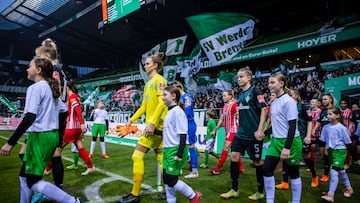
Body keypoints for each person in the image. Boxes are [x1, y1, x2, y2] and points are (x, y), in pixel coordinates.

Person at [0, 57, 84, 203]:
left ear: (38, 70)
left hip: (39, 137)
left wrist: (11, 142)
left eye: (30, 66)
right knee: (24, 176)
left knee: (33, 181)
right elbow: (64, 113)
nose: (27, 69)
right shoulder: (51, 89)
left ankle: (72, 201)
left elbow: (29, 117)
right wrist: (58, 137)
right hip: (50, 136)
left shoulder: (35, 88)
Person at [118, 52, 168, 203]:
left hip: (156, 127)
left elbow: (161, 103)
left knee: (137, 156)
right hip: (156, 127)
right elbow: (144, 106)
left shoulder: (160, 81)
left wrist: (152, 123)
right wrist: (131, 120)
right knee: (161, 159)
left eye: (147, 63)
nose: (145, 65)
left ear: (155, 65)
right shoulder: (148, 83)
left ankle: (135, 194)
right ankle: (168, 192)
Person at [220, 66, 267, 201]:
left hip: (253, 134)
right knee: (234, 157)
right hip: (240, 133)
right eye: (238, 77)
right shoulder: (240, 95)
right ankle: (234, 189)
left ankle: (260, 191)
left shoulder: (255, 91)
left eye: (241, 76)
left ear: (249, 78)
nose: (238, 79)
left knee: (257, 162)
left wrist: (260, 129)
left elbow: (264, 109)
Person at [264, 73, 302, 203]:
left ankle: (295, 201)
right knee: (267, 169)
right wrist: (264, 132)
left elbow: (292, 126)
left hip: (291, 142)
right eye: (269, 83)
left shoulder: (289, 101)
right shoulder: (274, 102)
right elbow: (277, 124)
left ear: (281, 83)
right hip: (275, 141)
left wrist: (287, 148)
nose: (269, 85)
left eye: (272, 82)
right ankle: (270, 200)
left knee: (293, 173)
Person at [161, 85, 202, 203]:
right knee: (167, 178)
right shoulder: (169, 112)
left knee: (171, 179)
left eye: (165, 95)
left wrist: (179, 153)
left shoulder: (178, 112)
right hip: (168, 150)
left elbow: (183, 134)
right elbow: (169, 132)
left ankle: (193, 196)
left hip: (175, 150)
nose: (162, 97)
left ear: (173, 96)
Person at [276, 89, 318, 191]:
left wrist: (308, 135)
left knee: (306, 156)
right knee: (286, 157)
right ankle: (285, 182)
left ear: (296, 96)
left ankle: (314, 176)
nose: (289, 96)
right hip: (289, 136)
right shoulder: (285, 106)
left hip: (302, 136)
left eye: (292, 94)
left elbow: (309, 121)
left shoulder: (302, 106)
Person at [320, 107, 353, 202]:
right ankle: (349, 188)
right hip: (331, 151)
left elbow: (348, 142)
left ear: (337, 116)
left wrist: (353, 156)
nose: (328, 116)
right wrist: (324, 150)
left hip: (340, 151)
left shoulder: (342, 128)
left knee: (333, 172)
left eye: (330, 114)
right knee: (341, 171)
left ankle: (330, 194)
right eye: (327, 114)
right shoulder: (326, 127)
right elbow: (322, 141)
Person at [208, 90, 245, 175]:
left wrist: (241, 128)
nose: (223, 97)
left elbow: (239, 116)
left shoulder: (234, 105)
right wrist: (215, 129)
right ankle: (241, 168)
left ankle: (217, 169)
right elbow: (221, 119)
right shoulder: (225, 107)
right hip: (227, 130)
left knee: (225, 148)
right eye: (223, 96)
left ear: (230, 96)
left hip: (233, 130)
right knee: (234, 150)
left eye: (225, 96)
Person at [63, 80, 95, 176]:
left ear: (67, 88)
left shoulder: (72, 97)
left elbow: (78, 110)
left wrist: (82, 124)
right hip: (76, 128)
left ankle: (47, 168)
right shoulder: (74, 97)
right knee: (80, 147)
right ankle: (90, 167)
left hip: (71, 128)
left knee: (57, 147)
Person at [172, 80, 199, 179]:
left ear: (179, 88)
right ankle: (185, 163)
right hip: (183, 126)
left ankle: (195, 171)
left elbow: (186, 113)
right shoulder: (180, 99)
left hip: (189, 125)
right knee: (181, 146)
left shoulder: (187, 98)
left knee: (191, 147)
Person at [313, 93, 335, 182]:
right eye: (323, 100)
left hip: (331, 136)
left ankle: (326, 174)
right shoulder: (323, 111)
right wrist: (314, 129)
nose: (323, 101)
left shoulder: (335, 110)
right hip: (323, 135)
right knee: (323, 154)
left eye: (325, 99)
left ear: (331, 100)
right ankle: (330, 168)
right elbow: (319, 122)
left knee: (326, 154)